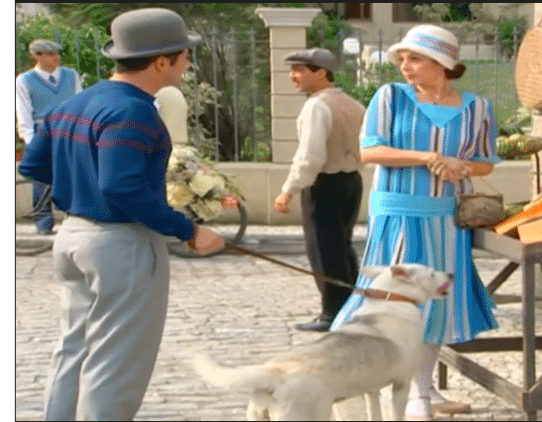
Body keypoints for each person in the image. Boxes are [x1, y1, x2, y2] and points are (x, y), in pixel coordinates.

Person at [17, 8, 225, 420]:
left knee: (73, 351)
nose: (188, 64)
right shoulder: (133, 111)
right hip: (120, 244)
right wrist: (187, 229)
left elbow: (33, 165)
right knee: (116, 365)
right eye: (185, 56)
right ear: (161, 61)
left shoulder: (73, 102)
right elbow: (121, 185)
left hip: (73, 237)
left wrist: (80, 186)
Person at [328, 25, 500, 420]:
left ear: (442, 63)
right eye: (402, 59)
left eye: (415, 58)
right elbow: (370, 152)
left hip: (446, 217)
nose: (405, 66)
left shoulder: (477, 108)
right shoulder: (390, 97)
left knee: (436, 303)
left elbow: (485, 161)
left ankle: (420, 393)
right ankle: (346, 378)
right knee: (382, 296)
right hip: (397, 211)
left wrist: (459, 164)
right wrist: (426, 158)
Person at [273, 48, 366, 332]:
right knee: (343, 247)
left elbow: (310, 156)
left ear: (321, 72)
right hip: (351, 181)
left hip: (324, 185)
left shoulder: (317, 106)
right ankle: (353, 305)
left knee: (324, 249)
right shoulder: (352, 103)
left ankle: (332, 312)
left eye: (300, 69)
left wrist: (288, 190)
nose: (293, 76)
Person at [16, 39, 83, 234]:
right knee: (41, 179)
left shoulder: (71, 76)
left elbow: (80, 102)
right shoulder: (24, 80)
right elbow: (24, 112)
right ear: (37, 56)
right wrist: (31, 140)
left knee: (74, 174)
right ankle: (43, 222)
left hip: (69, 129)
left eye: (56, 53)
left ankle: (75, 217)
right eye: (51, 54)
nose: (57, 58)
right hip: (41, 130)